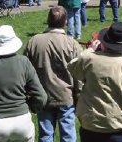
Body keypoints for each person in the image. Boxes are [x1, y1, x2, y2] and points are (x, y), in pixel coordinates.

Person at [24, 7, 82, 142]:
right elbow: (79, 75)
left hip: (43, 96)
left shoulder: (34, 41)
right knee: (68, 135)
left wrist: (29, 94)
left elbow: (25, 71)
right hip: (66, 96)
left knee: (45, 135)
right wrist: (79, 96)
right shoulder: (72, 44)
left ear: (48, 20)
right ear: (65, 22)